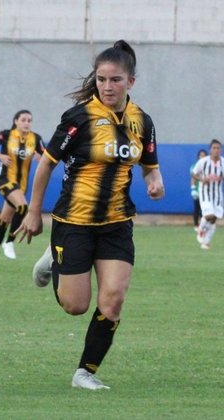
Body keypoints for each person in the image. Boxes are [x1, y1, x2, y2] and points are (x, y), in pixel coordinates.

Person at [16, 40, 164, 390]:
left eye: (115, 80)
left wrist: (155, 181)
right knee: (75, 305)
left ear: (131, 81)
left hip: (116, 224)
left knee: (113, 299)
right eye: (101, 79)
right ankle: (53, 258)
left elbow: (150, 167)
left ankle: (85, 373)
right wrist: (34, 212)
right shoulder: (79, 118)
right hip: (74, 223)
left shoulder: (142, 121)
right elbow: (46, 165)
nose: (107, 87)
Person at [0, 110, 44, 268]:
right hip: (4, 180)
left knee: (5, 220)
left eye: (29, 120)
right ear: (16, 121)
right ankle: (9, 242)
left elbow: (46, 155)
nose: (27, 123)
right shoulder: (6, 135)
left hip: (21, 185)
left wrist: (41, 157)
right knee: (22, 206)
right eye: (23, 119)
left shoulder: (35, 138)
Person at [193, 139, 224, 250]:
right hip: (205, 192)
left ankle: (205, 243)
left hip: (217, 194)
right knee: (208, 215)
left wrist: (221, 178)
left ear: (220, 150)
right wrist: (202, 179)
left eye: (218, 148)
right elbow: (194, 173)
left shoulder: (223, 162)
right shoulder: (204, 162)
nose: (216, 150)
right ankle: (200, 229)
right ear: (210, 149)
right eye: (214, 148)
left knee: (214, 218)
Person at [190, 149, 207, 232]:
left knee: (205, 209)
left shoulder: (208, 166)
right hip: (197, 190)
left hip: (206, 191)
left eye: (204, 155)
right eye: (201, 155)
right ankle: (196, 225)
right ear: (198, 157)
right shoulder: (195, 166)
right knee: (197, 208)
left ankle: (203, 225)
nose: (202, 157)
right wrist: (193, 189)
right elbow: (193, 178)